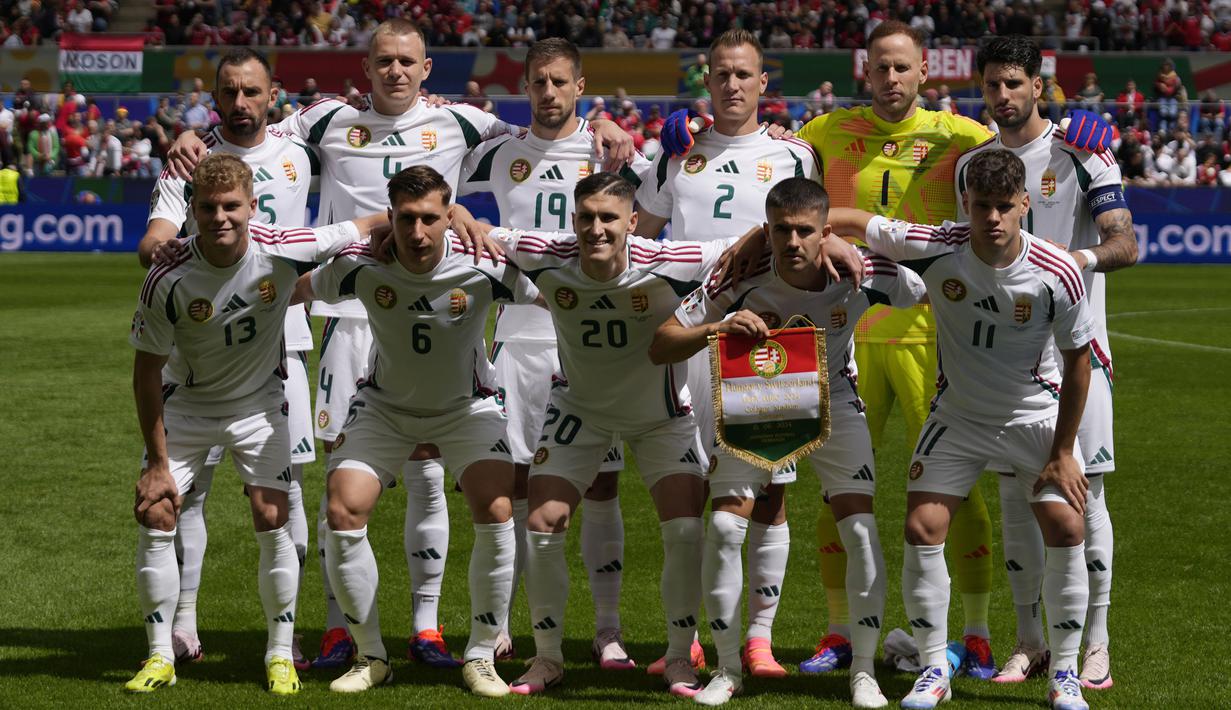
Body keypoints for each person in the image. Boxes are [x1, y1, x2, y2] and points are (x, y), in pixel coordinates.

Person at [165, 19, 634, 671]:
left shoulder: (463, 122)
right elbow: (252, 133)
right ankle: (338, 628)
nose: (394, 71)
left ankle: (425, 626)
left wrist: (601, 120)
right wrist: (194, 136)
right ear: (366, 67)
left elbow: (545, 127)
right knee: (343, 474)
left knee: (429, 472)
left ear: (425, 68)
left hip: (434, 308)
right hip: (350, 311)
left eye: (406, 61)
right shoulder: (326, 119)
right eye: (383, 60)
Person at [827, 148, 1096, 710]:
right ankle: (933, 670)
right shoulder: (937, 245)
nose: (992, 218)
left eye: (1004, 206)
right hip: (958, 417)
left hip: (1033, 416)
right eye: (981, 206)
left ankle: (1064, 673)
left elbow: (1078, 364)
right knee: (922, 527)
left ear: (1024, 204)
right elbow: (856, 220)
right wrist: (827, 237)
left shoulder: (1058, 272)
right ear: (965, 204)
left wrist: (1064, 452)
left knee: (1067, 525)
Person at [651, 177, 924, 708]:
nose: (792, 242)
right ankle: (728, 669)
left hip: (833, 403)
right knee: (725, 528)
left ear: (826, 231)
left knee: (861, 530)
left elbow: (937, 290)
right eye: (781, 231)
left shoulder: (863, 272)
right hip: (757, 405)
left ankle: (864, 671)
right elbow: (662, 344)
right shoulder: (742, 273)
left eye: (805, 231)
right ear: (766, 231)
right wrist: (720, 328)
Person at [125, 152, 386, 695]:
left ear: (252, 206)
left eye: (231, 206)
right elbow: (146, 373)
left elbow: (366, 223)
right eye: (207, 208)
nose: (220, 217)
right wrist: (156, 463)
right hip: (188, 407)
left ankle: (279, 654)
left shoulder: (284, 247)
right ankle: (159, 656)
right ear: (192, 211)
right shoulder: (167, 276)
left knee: (273, 516)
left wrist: (457, 215)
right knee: (156, 510)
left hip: (259, 408)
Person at [791, 21, 1001, 678]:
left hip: (933, 338)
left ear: (923, 72)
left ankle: (976, 633)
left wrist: (1087, 134)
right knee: (836, 490)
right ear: (865, 70)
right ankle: (837, 631)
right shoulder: (824, 131)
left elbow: (1024, 163)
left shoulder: (962, 137)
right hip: (843, 335)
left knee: (957, 486)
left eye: (902, 67)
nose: (890, 78)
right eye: (880, 67)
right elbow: (761, 160)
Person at [487, 173, 749, 698]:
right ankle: (547, 658)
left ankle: (679, 657)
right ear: (573, 219)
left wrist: (829, 236)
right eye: (586, 217)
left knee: (684, 530)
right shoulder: (547, 254)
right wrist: (460, 216)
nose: (596, 229)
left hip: (659, 415)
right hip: (579, 410)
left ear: (632, 222)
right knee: (542, 526)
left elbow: (744, 243)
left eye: (609, 218)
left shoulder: (668, 259)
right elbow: (471, 229)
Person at [292, 166, 535, 697]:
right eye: (406, 219)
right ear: (390, 217)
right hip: (384, 408)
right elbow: (291, 292)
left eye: (429, 218)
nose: (418, 232)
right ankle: (371, 655)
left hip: (467, 409)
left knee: (497, 507)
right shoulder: (361, 265)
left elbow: (555, 298)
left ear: (450, 217)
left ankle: (480, 654)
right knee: (342, 510)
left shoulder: (483, 265)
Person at [635, 29, 824, 682]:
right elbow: (639, 236)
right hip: (692, 338)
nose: (732, 84)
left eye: (744, 74)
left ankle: (759, 641)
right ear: (706, 82)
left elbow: (814, 234)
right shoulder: (675, 154)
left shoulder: (794, 154)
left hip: (768, 344)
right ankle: (684, 638)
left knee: (769, 492)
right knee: (687, 495)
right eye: (721, 74)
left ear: (762, 83)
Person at [457, 37, 651, 668]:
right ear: (526, 86)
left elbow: (661, 197)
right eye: (538, 81)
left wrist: (613, 126)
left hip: (590, 342)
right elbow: (431, 183)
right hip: (518, 336)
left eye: (560, 82)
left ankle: (608, 628)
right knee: (514, 484)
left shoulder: (609, 151)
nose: (548, 92)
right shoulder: (500, 150)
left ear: (579, 86)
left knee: (601, 485)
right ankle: (505, 624)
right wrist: (460, 214)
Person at [957, 35, 1138, 692]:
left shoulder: (1083, 152)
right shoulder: (973, 165)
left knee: (1084, 497)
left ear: (1039, 85)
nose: (1002, 95)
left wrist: (1070, 262)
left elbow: (1124, 244)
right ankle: (1029, 641)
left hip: (1078, 357)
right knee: (1015, 497)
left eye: (1014, 83)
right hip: (1004, 365)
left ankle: (1097, 643)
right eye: (992, 84)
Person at [139, 48, 321, 671]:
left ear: (273, 95)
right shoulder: (190, 162)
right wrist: (166, 252)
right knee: (187, 495)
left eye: (251, 92)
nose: (240, 104)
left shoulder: (302, 146)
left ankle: (289, 634)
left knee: (284, 496)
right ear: (213, 97)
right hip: (201, 345)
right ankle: (183, 625)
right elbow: (154, 239)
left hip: (282, 345)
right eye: (228, 93)